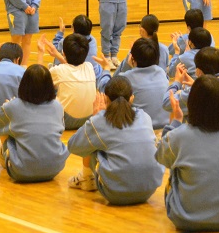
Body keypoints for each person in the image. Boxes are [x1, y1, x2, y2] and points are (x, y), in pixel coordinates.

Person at [157, 75, 219, 232]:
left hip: (184, 218)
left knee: (175, 166)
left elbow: (161, 157)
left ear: (192, 103)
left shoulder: (179, 135)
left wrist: (175, 122)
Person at [67, 75, 164, 204]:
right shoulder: (144, 117)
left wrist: (94, 118)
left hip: (115, 193)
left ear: (105, 99)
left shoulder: (101, 121)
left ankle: (86, 179)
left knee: (93, 141)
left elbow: (73, 146)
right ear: (132, 99)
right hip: (149, 190)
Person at [0, 64, 69, 183]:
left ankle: (7, 162)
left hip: (21, 171)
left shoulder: (14, 106)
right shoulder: (57, 106)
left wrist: (6, 108)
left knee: (2, 132)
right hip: (55, 168)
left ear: (24, 84)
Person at [99, 37, 169, 129]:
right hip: (165, 125)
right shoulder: (162, 72)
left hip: (141, 127)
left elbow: (104, 89)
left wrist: (106, 69)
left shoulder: (126, 77)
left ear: (132, 57)